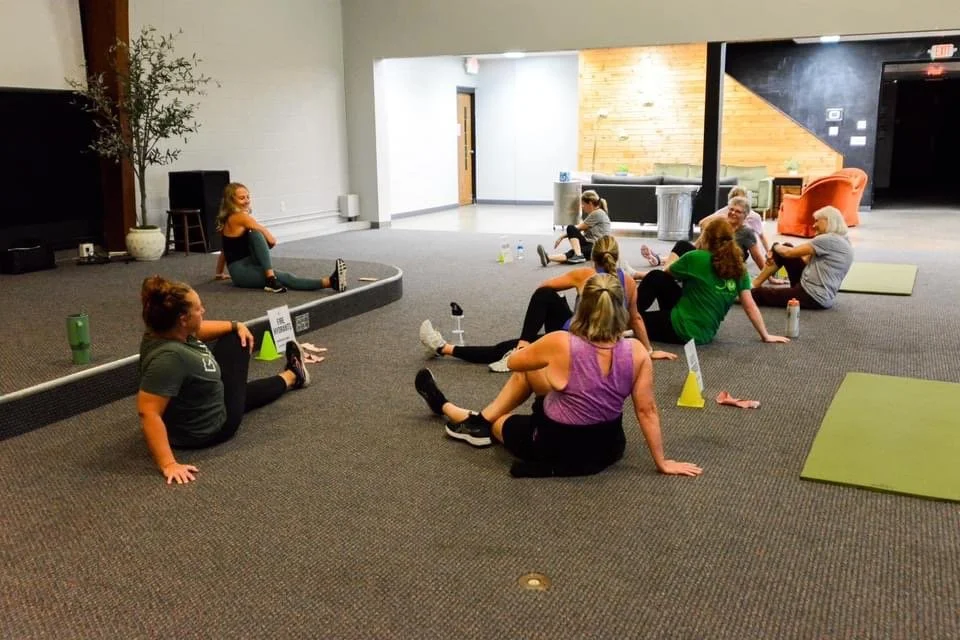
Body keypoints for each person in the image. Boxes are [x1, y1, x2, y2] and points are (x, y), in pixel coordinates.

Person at [414, 273, 703, 478]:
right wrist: (662, 462)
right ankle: (470, 417)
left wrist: (547, 370)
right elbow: (647, 410)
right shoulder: (638, 352)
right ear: (621, 312)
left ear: (582, 308)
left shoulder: (561, 342)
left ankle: (457, 412)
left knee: (506, 410)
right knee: (549, 380)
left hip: (552, 445)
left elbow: (514, 362)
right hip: (606, 448)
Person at [136, 276, 311, 485]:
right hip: (211, 430)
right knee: (237, 342)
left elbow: (199, 329)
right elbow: (148, 411)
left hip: (197, 405)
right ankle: (293, 375)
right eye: (199, 309)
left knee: (234, 333)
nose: (204, 311)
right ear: (182, 318)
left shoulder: (164, 330)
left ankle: (293, 375)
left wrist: (236, 324)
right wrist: (168, 464)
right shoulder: (170, 358)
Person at [419, 235, 676, 371]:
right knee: (543, 306)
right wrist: (649, 350)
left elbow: (542, 287)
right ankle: (523, 344)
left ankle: (444, 347)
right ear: (617, 259)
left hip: (576, 339)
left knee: (506, 345)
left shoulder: (585, 275)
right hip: (596, 336)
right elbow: (637, 318)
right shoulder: (629, 282)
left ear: (593, 258)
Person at [636, 219, 789, 345]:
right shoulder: (739, 267)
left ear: (705, 237)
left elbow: (666, 273)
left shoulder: (695, 257)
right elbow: (749, 306)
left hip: (682, 329)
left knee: (652, 284)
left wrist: (674, 257)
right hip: (706, 334)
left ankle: (626, 317)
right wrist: (765, 335)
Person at [213, 182, 347, 294]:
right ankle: (329, 282)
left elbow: (225, 251)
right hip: (241, 272)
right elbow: (272, 241)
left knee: (254, 234)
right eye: (242, 198)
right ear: (231, 201)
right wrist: (265, 245)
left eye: (248, 197)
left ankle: (270, 277)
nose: (247, 200)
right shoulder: (241, 217)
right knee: (286, 277)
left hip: (246, 265)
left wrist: (219, 273)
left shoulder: (227, 219)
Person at [751, 205, 854, 309]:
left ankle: (746, 292)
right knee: (785, 247)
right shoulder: (843, 240)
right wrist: (777, 252)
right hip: (817, 291)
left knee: (761, 294)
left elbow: (789, 253)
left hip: (812, 296)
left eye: (817, 221)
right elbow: (804, 260)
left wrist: (774, 246)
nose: (814, 225)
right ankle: (756, 283)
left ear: (828, 221)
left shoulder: (828, 240)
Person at [637, 195, 766, 274]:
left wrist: (769, 277)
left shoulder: (746, 232)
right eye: (731, 209)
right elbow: (703, 224)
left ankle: (659, 270)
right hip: (707, 257)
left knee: (685, 255)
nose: (732, 213)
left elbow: (757, 257)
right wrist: (720, 216)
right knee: (683, 246)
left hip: (722, 264)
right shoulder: (721, 224)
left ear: (745, 215)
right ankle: (663, 269)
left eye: (737, 211)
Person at [537, 190, 611, 266]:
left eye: (583, 204)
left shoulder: (597, 213)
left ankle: (578, 255)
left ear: (590, 203)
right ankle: (548, 258)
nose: (582, 207)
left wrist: (561, 237)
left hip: (595, 246)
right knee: (573, 252)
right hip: (595, 248)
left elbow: (577, 229)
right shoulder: (597, 213)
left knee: (570, 228)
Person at [697, 186, 771, 254]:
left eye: (740, 201)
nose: (737, 204)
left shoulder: (754, 217)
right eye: (734, 201)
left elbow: (761, 236)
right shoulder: (723, 212)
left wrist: (769, 252)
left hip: (742, 245)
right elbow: (702, 223)